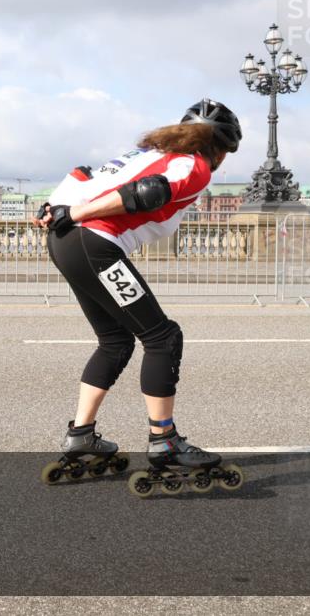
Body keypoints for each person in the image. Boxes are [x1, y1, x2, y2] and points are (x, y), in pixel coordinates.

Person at [34, 99, 245, 493]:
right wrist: (76, 216)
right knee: (163, 338)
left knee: (115, 341)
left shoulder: (149, 152)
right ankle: (163, 441)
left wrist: (56, 207)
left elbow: (81, 173)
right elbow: (147, 193)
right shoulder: (193, 165)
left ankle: (81, 435)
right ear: (218, 147)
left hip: (66, 242)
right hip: (93, 242)